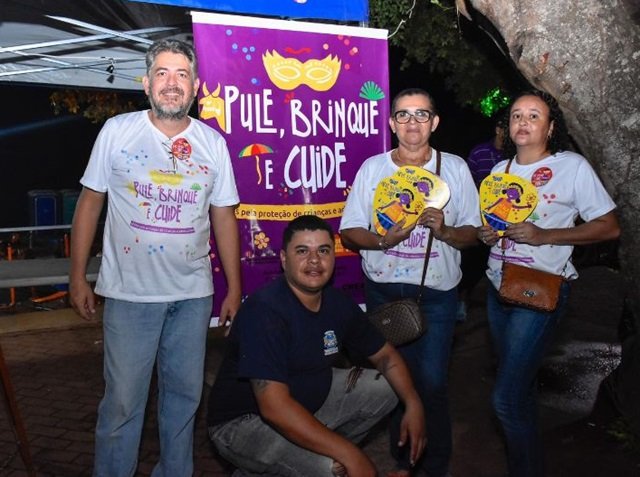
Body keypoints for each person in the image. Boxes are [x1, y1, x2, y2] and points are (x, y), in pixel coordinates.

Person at [69, 39, 241, 477]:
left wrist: (234, 287)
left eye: (182, 74)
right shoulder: (117, 131)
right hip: (130, 296)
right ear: (146, 83)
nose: (172, 83)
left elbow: (224, 217)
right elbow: (90, 202)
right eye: (162, 73)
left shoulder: (212, 143)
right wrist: (77, 276)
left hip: (192, 295)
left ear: (196, 86)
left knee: (184, 401)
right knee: (123, 404)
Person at [208, 215, 426, 477]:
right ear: (283, 259)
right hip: (242, 424)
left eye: (323, 250)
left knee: (386, 387)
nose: (314, 260)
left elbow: (386, 356)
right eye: (302, 251)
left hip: (304, 403)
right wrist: (351, 455)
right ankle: (313, 461)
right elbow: (274, 407)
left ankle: (309, 456)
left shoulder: (337, 303)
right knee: (332, 467)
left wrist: (413, 403)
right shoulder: (264, 311)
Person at [477, 89, 620, 477]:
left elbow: (608, 227)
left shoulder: (570, 166)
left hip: (540, 290)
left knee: (505, 399)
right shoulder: (499, 172)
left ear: (551, 127)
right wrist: (486, 234)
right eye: (516, 115)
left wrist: (545, 236)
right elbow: (492, 226)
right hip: (498, 287)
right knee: (520, 392)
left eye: (534, 115)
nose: (522, 122)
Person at [339, 88, 481, 477]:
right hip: (383, 290)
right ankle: (403, 463)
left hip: (435, 293)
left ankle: (434, 467)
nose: (412, 122)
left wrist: (446, 231)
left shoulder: (454, 169)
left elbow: (473, 233)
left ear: (435, 122)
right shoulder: (373, 169)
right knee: (392, 381)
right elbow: (349, 231)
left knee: (431, 383)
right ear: (391, 123)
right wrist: (384, 240)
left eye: (421, 114)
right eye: (403, 115)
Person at [457, 117, 506, 320]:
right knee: (472, 260)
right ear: (498, 129)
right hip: (479, 217)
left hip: (505, 220)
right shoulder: (480, 152)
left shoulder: (514, 155)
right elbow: (468, 184)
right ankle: (462, 299)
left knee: (496, 261)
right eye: (505, 126)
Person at [466, 116, 506, 188]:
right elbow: (468, 183)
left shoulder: (517, 155)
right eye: (507, 129)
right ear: (498, 130)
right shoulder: (478, 152)